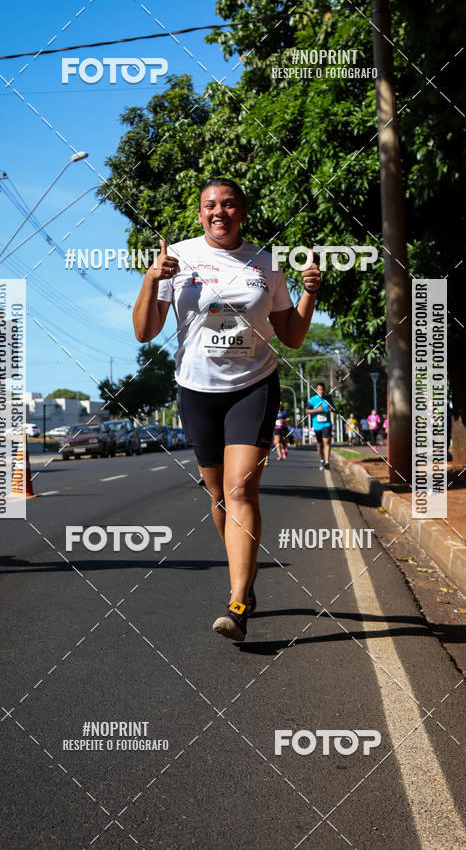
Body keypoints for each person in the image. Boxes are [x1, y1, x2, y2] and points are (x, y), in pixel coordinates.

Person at [132, 177, 321, 642]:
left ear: (243, 211)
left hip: (252, 385)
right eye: (210, 206)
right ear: (200, 215)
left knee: (240, 490)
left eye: (229, 204)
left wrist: (309, 293)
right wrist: (151, 279)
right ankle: (247, 577)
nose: (219, 212)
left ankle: (237, 602)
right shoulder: (175, 258)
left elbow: (292, 336)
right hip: (196, 390)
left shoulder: (266, 264)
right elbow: (144, 332)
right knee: (217, 496)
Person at [306, 382, 332, 470]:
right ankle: (322, 460)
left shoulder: (328, 398)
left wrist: (331, 409)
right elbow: (307, 411)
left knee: (327, 442)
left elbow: (333, 408)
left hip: (327, 424)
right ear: (317, 390)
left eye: (323, 389)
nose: (321, 391)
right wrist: (316, 410)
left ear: (325, 390)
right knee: (320, 444)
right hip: (317, 425)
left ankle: (327, 462)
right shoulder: (312, 400)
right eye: (319, 389)